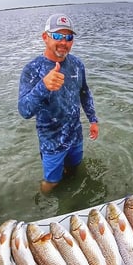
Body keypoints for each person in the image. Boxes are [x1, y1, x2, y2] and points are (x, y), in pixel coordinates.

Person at [18, 13, 99, 193]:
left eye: (68, 37)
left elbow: (85, 93)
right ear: (45, 37)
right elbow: (24, 111)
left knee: (75, 169)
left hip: (75, 135)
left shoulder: (77, 64)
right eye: (57, 36)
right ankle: (43, 208)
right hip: (52, 143)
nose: (63, 42)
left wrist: (93, 120)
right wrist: (44, 86)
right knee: (51, 183)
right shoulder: (32, 69)